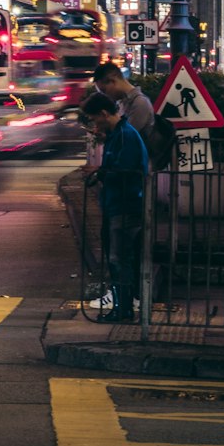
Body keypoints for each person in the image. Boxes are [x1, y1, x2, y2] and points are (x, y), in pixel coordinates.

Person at [79, 89, 149, 322]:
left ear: (103, 113)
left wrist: (99, 172)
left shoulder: (124, 136)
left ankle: (124, 310)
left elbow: (125, 171)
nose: (94, 124)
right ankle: (121, 307)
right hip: (116, 205)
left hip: (125, 206)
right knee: (116, 258)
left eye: (94, 118)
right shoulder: (117, 134)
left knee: (120, 258)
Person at [91, 62, 155, 143]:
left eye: (104, 90)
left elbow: (125, 138)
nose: (106, 95)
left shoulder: (140, 103)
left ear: (112, 81)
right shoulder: (122, 103)